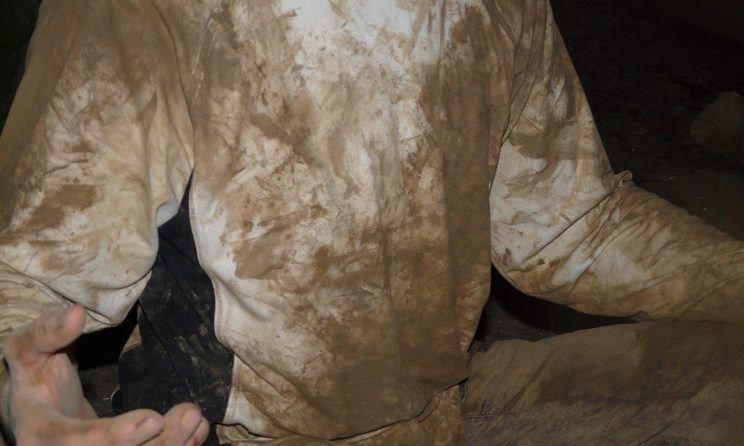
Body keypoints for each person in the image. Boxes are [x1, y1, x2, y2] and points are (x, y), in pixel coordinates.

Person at [1, 1, 743, 444]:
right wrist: (32, 392)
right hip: (235, 433)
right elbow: (31, 274)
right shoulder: (145, 12)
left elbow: (570, 224)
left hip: (439, 412)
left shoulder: (501, 9)